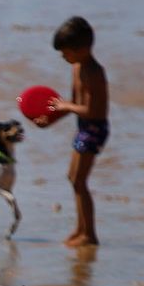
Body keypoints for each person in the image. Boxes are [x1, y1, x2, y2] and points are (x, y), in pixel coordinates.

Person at [48, 16, 109, 248]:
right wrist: (51, 117)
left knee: (80, 180)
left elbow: (92, 110)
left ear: (83, 49)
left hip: (95, 128)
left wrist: (66, 106)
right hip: (84, 126)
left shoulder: (94, 72)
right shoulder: (76, 68)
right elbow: (74, 102)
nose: (64, 57)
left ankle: (90, 234)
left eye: (66, 53)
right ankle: (81, 228)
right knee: (73, 178)